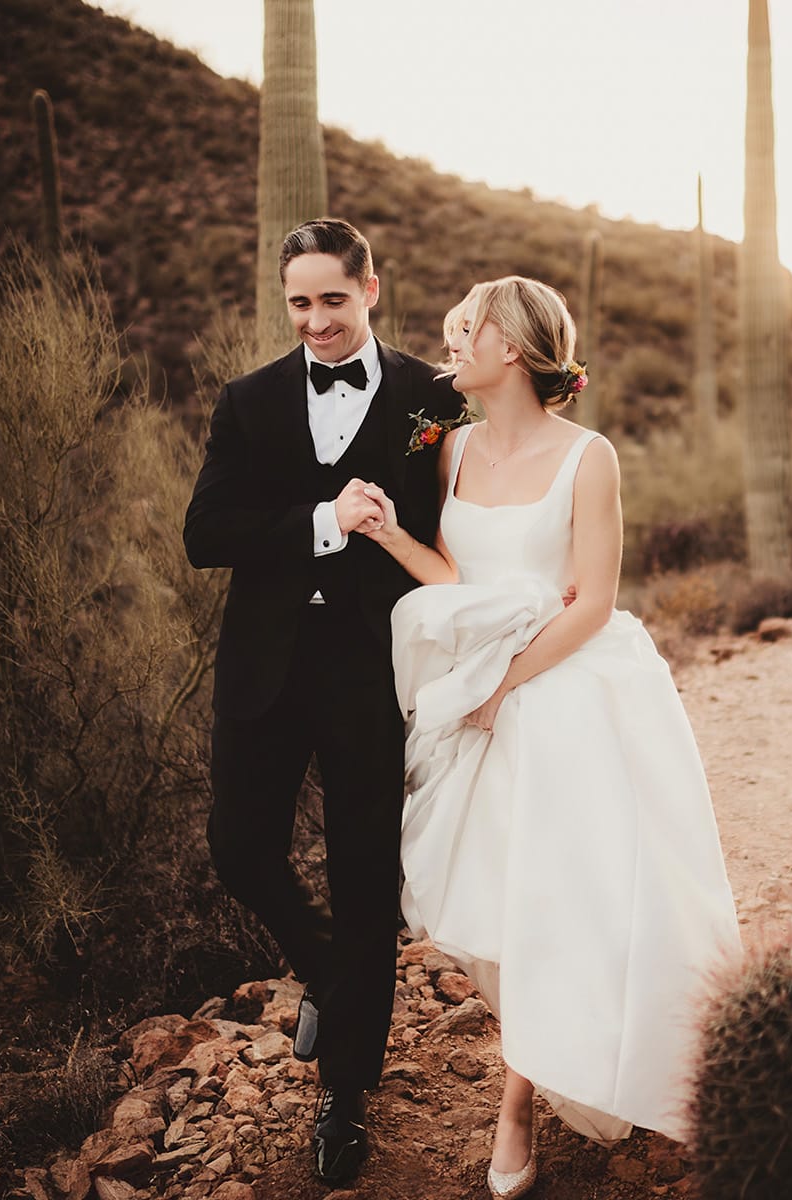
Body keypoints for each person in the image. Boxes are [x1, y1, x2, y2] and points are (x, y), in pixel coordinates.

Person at [355, 276, 743, 1198]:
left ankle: (515, 1101)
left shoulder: (590, 457)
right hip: (479, 688)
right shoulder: (447, 451)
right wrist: (386, 537)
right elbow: (457, 572)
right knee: (500, 899)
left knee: (557, 897)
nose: (452, 343)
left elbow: (596, 603)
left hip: (565, 690)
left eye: (468, 330)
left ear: (516, 352)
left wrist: (506, 683)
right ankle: (537, 1060)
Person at [182, 218, 463, 1185]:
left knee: (362, 881)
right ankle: (332, 978)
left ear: (370, 290)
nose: (315, 322)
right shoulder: (249, 399)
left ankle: (347, 1097)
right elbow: (204, 530)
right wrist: (320, 520)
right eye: (298, 303)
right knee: (240, 845)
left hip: (372, 673)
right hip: (264, 666)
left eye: (332, 300)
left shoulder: (434, 396)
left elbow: (456, 518)